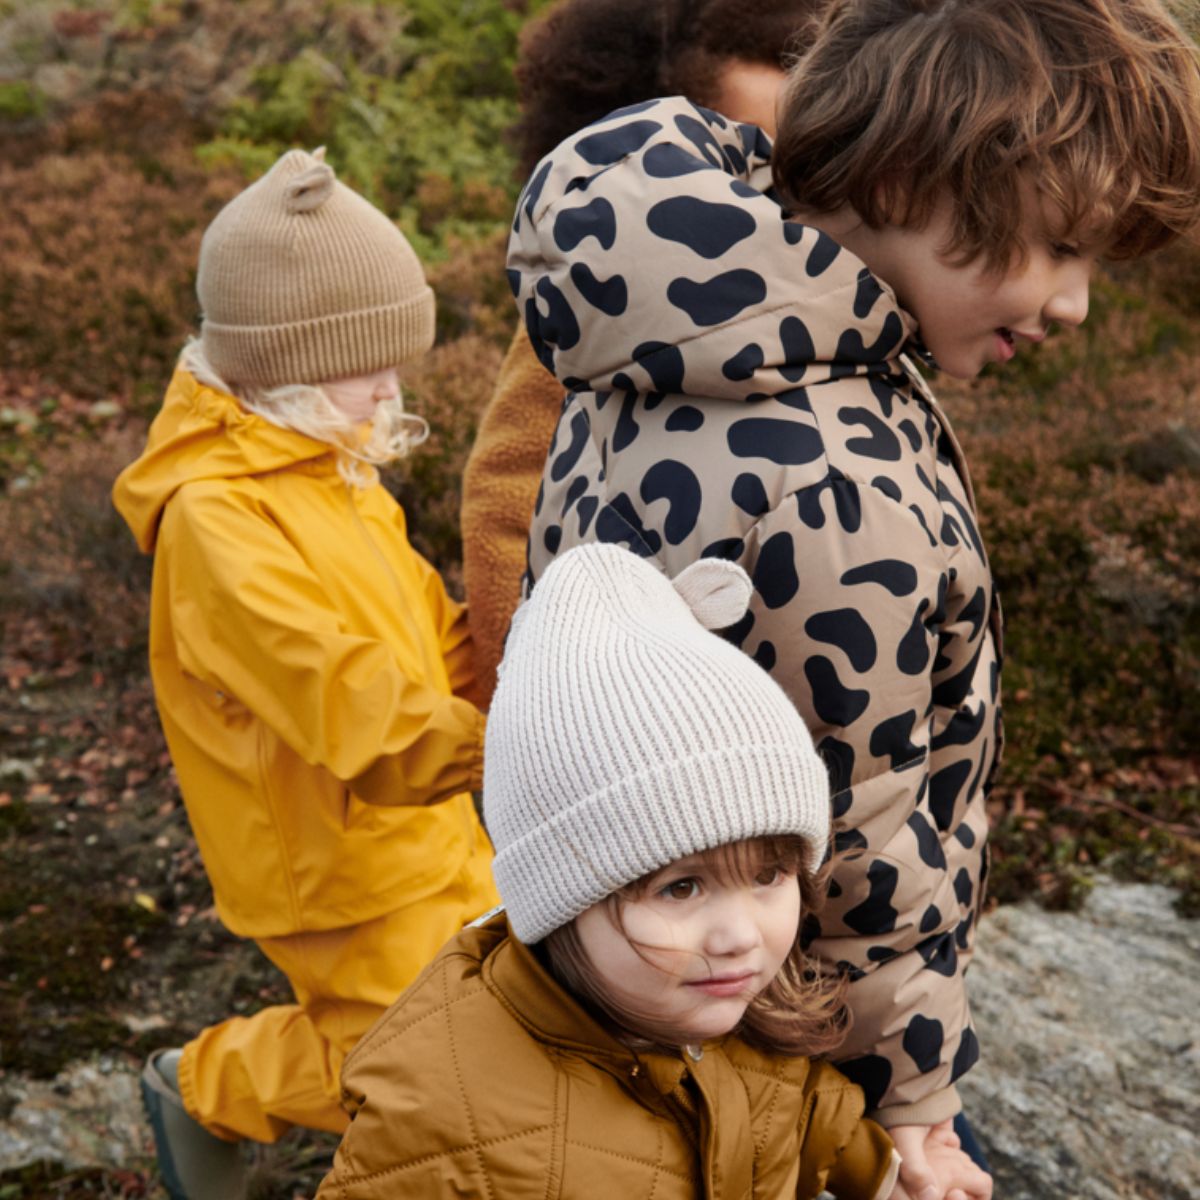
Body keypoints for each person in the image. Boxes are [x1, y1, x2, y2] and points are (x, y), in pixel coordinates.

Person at [505, 0, 1200, 1195]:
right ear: (902, 180)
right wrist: (914, 1100)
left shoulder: (693, 321)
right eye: (1061, 247)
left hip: (645, 979)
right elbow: (860, 821)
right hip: (799, 1028)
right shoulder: (820, 470)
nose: (1077, 304)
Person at [315, 542, 992, 1199]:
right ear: (563, 897)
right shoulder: (437, 1130)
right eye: (682, 886)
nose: (741, 935)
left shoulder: (732, 1016)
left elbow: (801, 1112)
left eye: (769, 876)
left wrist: (889, 1177)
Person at [112, 148, 499, 1200]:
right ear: (281, 358)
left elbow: (423, 637)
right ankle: (202, 1088)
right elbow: (343, 698)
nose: (392, 386)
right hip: (331, 860)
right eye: (367, 360)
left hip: (429, 820)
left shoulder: (331, 468)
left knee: (502, 1025)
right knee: (419, 1066)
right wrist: (504, 746)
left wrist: (532, 665)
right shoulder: (218, 519)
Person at [462, 0, 824, 706]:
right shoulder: (592, 316)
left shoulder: (833, 301)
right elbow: (505, 504)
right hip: (635, 724)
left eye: (786, 161)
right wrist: (539, 704)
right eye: (732, 156)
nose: (762, 186)